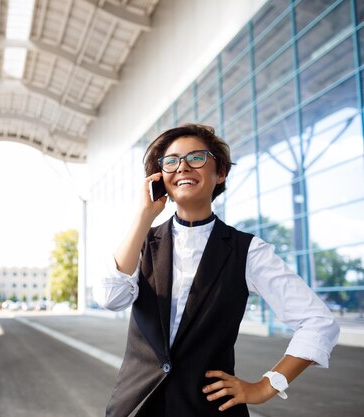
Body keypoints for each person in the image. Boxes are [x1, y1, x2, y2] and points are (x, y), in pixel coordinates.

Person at [94, 124, 340, 417]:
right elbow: (110, 298)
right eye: (171, 161)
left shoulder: (247, 250)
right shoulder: (141, 243)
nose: (183, 167)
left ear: (220, 173)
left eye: (196, 158)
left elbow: (318, 321)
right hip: (136, 407)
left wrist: (265, 385)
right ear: (160, 178)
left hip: (209, 409)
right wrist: (144, 217)